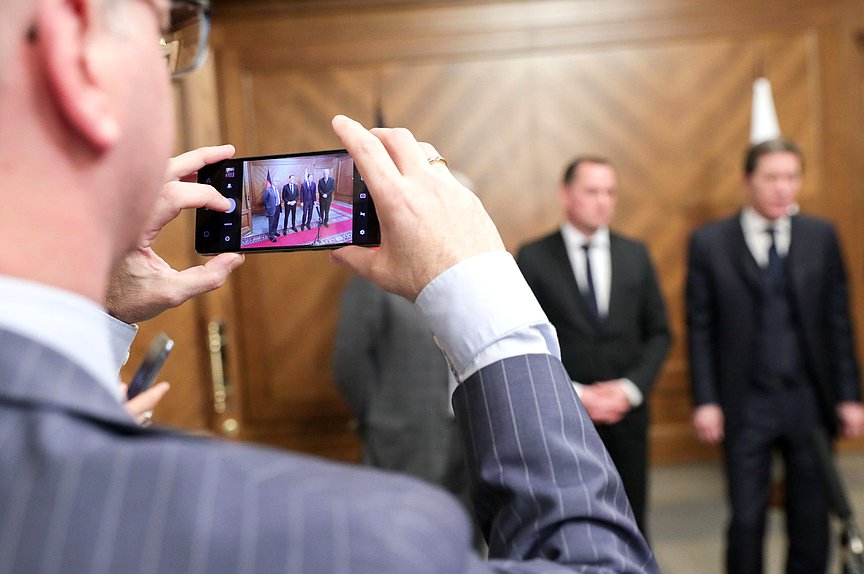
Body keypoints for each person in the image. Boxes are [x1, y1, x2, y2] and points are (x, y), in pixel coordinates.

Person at [0, 1, 657, 571]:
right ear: (77, 48)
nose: (173, 69)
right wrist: (481, 282)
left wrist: (105, 313)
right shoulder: (368, 539)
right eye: (168, 35)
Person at [686, 138, 864, 574]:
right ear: (748, 181)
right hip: (745, 403)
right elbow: (700, 328)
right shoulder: (710, 243)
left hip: (808, 401)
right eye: (772, 177)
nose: (783, 188)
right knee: (746, 518)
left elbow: (838, 322)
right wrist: (706, 400)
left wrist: (849, 396)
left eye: (792, 177)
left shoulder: (819, 236)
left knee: (810, 519)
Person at [516, 156, 670, 535]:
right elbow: (527, 339)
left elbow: (660, 333)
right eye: (592, 191)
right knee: (572, 524)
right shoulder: (533, 258)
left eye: (610, 192)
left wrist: (629, 389)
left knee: (633, 522)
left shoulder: (635, 254)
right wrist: (578, 394)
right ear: (565, 195)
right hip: (564, 415)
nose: (603, 201)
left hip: (626, 415)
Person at [333, 277, 472, 523]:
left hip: (469, 437)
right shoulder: (372, 278)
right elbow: (349, 363)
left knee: (463, 537)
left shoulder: (470, 273)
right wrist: (377, 415)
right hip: (401, 440)